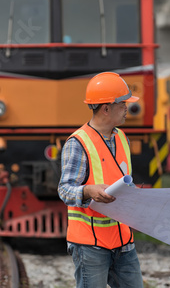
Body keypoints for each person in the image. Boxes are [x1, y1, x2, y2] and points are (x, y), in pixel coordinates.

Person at [58, 72, 144, 288]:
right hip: (90, 245)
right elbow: (65, 190)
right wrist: (88, 191)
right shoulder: (78, 143)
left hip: (123, 241)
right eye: (123, 103)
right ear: (106, 108)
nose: (127, 108)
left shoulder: (122, 138)